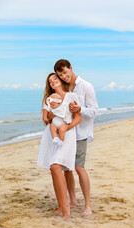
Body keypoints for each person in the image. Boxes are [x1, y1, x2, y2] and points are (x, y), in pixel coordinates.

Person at [53, 59, 98, 215]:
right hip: (67, 134)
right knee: (67, 169)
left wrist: (80, 109)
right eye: (60, 75)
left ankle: (88, 205)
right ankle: (72, 201)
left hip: (81, 133)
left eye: (65, 72)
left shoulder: (86, 86)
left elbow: (94, 111)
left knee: (79, 168)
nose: (64, 77)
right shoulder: (63, 87)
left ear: (71, 68)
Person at [38, 73, 81, 218]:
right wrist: (52, 110)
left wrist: (66, 128)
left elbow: (78, 118)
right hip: (52, 135)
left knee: (57, 166)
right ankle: (62, 205)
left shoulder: (72, 96)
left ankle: (67, 209)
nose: (53, 82)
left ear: (61, 80)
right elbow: (46, 120)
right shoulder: (49, 99)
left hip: (67, 132)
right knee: (53, 169)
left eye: (55, 79)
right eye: (50, 81)